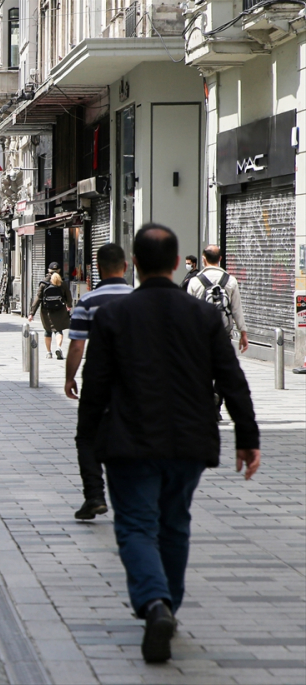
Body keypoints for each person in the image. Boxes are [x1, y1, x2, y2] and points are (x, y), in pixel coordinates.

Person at [77, 223, 260, 664]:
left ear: (134, 264)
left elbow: (95, 385)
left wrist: (86, 439)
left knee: (137, 526)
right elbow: (230, 378)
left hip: (129, 441)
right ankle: (168, 606)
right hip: (188, 442)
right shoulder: (201, 316)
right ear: (178, 263)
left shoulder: (113, 317)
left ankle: (155, 603)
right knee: (174, 523)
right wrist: (247, 437)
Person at [64, 243, 134, 521]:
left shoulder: (88, 302)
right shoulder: (138, 298)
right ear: (125, 267)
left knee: (87, 438)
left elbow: (77, 346)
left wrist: (69, 377)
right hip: (134, 380)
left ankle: (94, 496)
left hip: (98, 380)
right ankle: (131, 495)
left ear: (99, 270)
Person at [186, 245, 249, 353]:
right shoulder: (230, 280)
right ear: (220, 259)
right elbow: (236, 309)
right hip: (223, 337)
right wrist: (243, 333)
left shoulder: (194, 281)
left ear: (203, 259)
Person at [29, 263, 72, 360]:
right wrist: (69, 305)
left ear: (49, 270)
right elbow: (68, 296)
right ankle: (58, 347)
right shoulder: (62, 283)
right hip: (60, 310)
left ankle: (49, 352)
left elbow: (38, 298)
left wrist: (32, 313)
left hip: (46, 311)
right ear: (59, 270)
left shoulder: (44, 283)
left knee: (48, 331)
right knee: (58, 330)